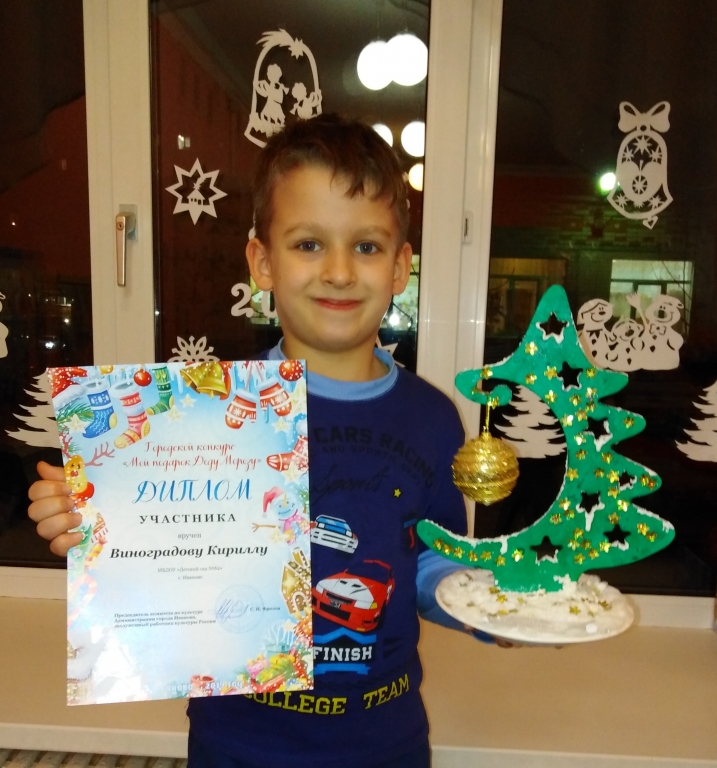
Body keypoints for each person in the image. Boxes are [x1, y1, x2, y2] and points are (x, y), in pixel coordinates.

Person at [28, 114, 493, 768]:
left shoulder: (433, 417)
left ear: (399, 267)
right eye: (309, 243)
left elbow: (432, 562)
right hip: (238, 745)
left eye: (366, 246)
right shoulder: (204, 415)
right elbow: (161, 556)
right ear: (262, 262)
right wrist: (89, 522)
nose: (339, 271)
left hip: (386, 744)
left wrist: (491, 604)